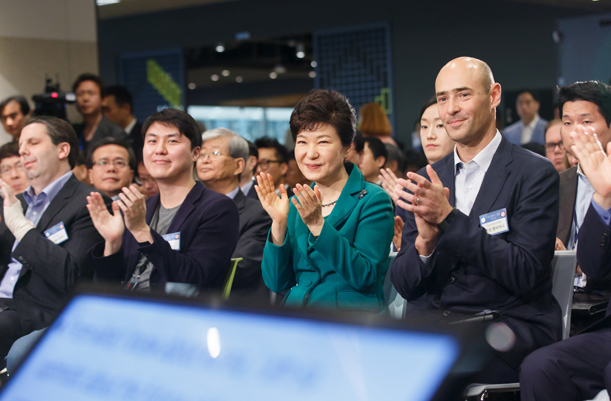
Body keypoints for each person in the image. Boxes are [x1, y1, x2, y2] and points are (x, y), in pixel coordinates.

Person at [391, 57, 561, 383]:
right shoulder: (429, 178)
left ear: (494, 96)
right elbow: (404, 284)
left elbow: (525, 272)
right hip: (436, 327)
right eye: (443, 98)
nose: (451, 108)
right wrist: (424, 244)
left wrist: (449, 219)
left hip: (505, 326)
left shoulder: (534, 173)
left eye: (463, 95)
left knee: (429, 374)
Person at [257, 89, 394, 311]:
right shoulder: (296, 202)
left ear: (347, 147)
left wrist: (318, 225)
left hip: (349, 324)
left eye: (322, 142)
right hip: (298, 322)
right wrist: (279, 224)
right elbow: (276, 282)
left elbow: (364, 275)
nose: (310, 153)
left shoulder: (373, 200)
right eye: (302, 142)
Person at [88, 108, 239, 292]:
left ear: (195, 153)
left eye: (172, 141)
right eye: (152, 141)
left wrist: (142, 231)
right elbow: (105, 286)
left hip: (173, 314)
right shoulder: (144, 207)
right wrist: (112, 242)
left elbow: (193, 277)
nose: (159, 150)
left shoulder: (217, 208)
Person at [0, 116, 106, 362]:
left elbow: (72, 275)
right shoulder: (16, 202)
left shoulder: (89, 202)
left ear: (63, 149)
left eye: (33, 142)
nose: (23, 150)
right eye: (21, 145)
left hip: (40, 311)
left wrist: (20, 226)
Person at [519, 119, 611, 401]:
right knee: (540, 367)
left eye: (585, 121)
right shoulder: (565, 183)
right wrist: (604, 197)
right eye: (568, 121)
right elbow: (592, 265)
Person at [197, 128, 272, 292]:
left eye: (215, 153)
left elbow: (240, 266)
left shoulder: (258, 213)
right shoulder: (189, 208)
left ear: (238, 165)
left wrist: (186, 269)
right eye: (201, 155)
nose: (205, 160)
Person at [71, 73, 126, 153]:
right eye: (80, 94)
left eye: (91, 93)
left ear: (102, 99)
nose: (85, 98)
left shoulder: (115, 133)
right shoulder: (74, 132)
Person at [103, 85, 144, 161]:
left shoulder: (143, 135)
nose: (105, 115)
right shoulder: (107, 136)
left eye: (108, 110)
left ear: (126, 108)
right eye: (104, 110)